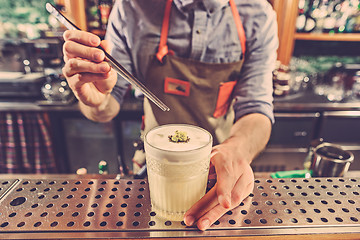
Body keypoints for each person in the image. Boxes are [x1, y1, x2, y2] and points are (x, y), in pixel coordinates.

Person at [62, 0, 278, 231]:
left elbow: (256, 108)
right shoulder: (132, 8)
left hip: (218, 172)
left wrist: (236, 150)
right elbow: (106, 103)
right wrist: (93, 98)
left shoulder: (258, 15)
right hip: (154, 170)